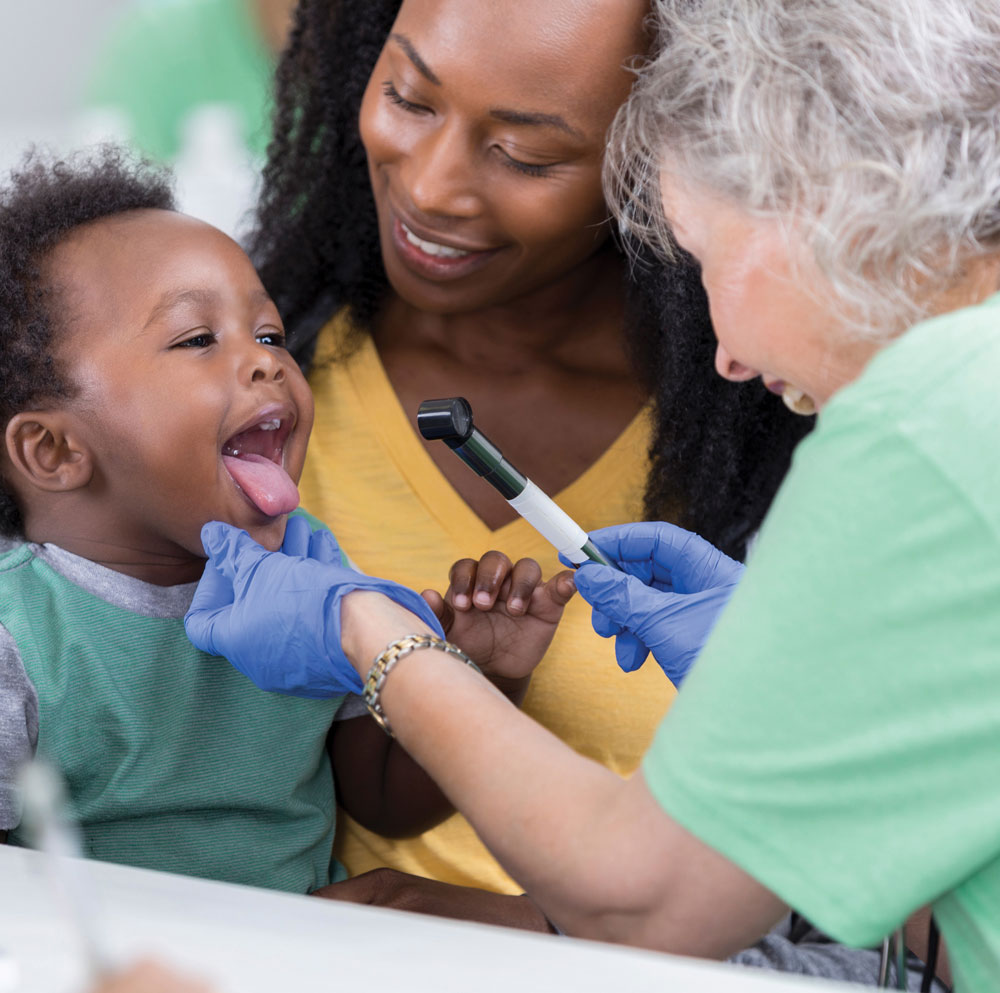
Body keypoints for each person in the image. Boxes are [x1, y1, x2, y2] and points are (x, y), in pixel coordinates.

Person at [185, 0, 1000, 987]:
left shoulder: (929, 417)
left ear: (824, 205)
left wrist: (371, 630)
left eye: (700, 257)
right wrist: (817, 704)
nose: (727, 355)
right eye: (408, 98)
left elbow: (643, 902)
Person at [250, 0, 812, 899]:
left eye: (524, 154)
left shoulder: (778, 430)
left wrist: (511, 935)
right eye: (407, 96)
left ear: (672, 165)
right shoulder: (260, 380)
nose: (431, 186)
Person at [0, 147, 570, 897]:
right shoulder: (20, 634)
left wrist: (486, 675)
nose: (267, 363)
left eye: (268, 335)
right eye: (197, 339)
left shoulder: (312, 575)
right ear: (55, 449)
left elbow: (385, 801)